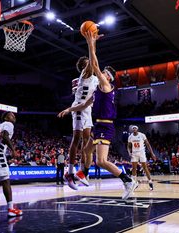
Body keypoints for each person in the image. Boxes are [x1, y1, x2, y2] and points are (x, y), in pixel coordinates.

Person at [58, 31, 136, 199]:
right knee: (86, 149)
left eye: (105, 72)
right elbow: (84, 104)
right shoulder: (96, 91)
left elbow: (94, 64)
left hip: (105, 125)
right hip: (99, 124)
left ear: (109, 77)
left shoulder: (106, 85)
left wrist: (91, 42)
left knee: (101, 161)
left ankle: (127, 180)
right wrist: (68, 110)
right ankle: (83, 173)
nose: (102, 72)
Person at [64, 56, 99, 190]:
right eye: (86, 64)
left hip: (88, 109)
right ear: (83, 67)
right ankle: (70, 172)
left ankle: (82, 171)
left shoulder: (95, 78)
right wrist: (92, 42)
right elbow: (93, 60)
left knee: (87, 141)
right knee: (76, 139)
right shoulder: (84, 74)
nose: (90, 64)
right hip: (79, 107)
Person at [127, 125, 156, 191]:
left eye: (135, 128)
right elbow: (128, 146)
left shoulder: (142, 135)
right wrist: (129, 152)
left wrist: (152, 153)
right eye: (133, 128)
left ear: (137, 129)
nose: (134, 129)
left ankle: (150, 182)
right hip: (134, 153)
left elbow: (148, 144)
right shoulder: (130, 137)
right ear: (132, 130)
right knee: (134, 168)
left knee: (145, 167)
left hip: (142, 152)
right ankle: (134, 183)